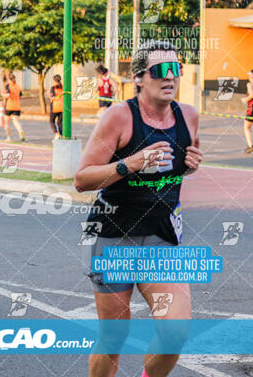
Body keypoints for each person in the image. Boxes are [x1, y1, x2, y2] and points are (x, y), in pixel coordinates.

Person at [74, 40, 203, 377]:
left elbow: (183, 164)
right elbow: (82, 179)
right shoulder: (119, 117)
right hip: (113, 237)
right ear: (139, 79)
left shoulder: (188, 116)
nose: (170, 77)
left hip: (161, 238)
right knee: (114, 338)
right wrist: (130, 164)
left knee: (175, 333)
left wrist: (190, 166)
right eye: (160, 70)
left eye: (176, 69)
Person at [2, 73, 25, 142]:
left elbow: (8, 95)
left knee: (7, 123)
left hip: (9, 106)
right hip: (17, 106)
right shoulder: (18, 86)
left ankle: (9, 137)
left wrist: (2, 94)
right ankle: (21, 132)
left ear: (9, 79)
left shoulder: (8, 86)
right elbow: (21, 96)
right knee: (16, 121)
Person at [49, 74, 63, 139]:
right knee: (60, 123)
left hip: (55, 107)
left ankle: (56, 133)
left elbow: (52, 98)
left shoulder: (53, 88)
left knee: (51, 121)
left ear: (54, 80)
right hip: (62, 107)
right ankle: (61, 135)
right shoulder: (63, 87)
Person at [243, 70, 253, 153]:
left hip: (251, 109)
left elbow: (252, 95)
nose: (249, 77)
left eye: (250, 76)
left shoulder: (249, 84)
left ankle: (250, 146)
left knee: (247, 127)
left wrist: (245, 99)